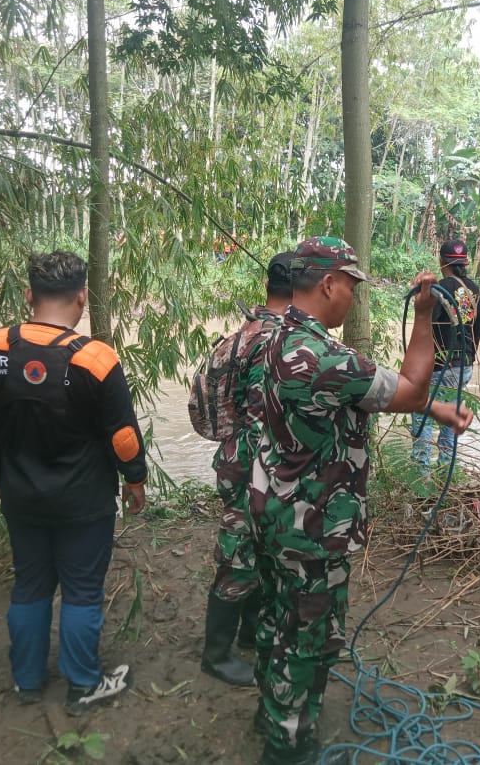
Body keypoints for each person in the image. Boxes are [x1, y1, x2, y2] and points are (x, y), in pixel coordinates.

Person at [248, 236, 474, 765]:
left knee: (278, 618)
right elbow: (413, 389)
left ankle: (272, 710)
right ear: (328, 283)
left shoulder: (272, 334)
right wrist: (424, 315)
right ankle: (287, 744)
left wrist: (435, 409)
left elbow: (361, 393)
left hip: (274, 509)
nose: (353, 296)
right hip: (312, 525)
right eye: (351, 285)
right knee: (308, 633)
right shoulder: (322, 356)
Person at [0, 251, 147, 715]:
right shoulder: (96, 359)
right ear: (82, 298)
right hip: (83, 500)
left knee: (30, 584)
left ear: (29, 296)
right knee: (82, 590)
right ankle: (83, 683)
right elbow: (123, 435)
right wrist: (135, 480)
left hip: (21, 496)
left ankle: (27, 680)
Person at [189, 250, 295, 686]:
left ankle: (252, 633)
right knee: (241, 555)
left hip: (238, 464)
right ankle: (216, 654)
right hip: (269, 469)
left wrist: (232, 437)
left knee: (258, 550)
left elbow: (200, 407)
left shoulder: (234, 340)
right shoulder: (290, 344)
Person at [410, 238, 480, 475]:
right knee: (451, 420)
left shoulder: (439, 290)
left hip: (440, 366)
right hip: (463, 366)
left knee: (423, 412)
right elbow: (477, 330)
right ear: (465, 262)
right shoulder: (475, 292)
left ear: (442, 261)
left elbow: (426, 328)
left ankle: (419, 474)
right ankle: (446, 474)